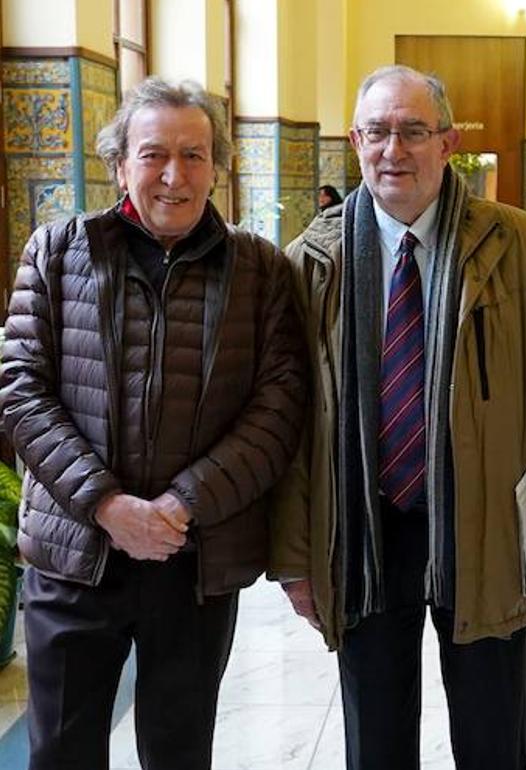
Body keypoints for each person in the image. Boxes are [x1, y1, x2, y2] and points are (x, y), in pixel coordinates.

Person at [273, 65, 526, 770]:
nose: (395, 149)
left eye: (414, 131)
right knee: (376, 734)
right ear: (355, 141)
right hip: (359, 528)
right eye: (378, 132)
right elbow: (290, 432)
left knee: (492, 729)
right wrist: (293, 557)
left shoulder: (518, 245)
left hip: (484, 523)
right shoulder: (311, 261)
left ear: (447, 143)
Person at [0, 77, 306, 770]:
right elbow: (21, 390)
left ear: (218, 166)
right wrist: (107, 505)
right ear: (119, 163)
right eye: (154, 153)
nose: (175, 175)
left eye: (195, 155)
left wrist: (180, 504)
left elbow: (280, 405)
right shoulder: (55, 252)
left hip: (192, 559)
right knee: (62, 751)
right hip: (77, 554)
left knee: (178, 749)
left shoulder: (259, 270)